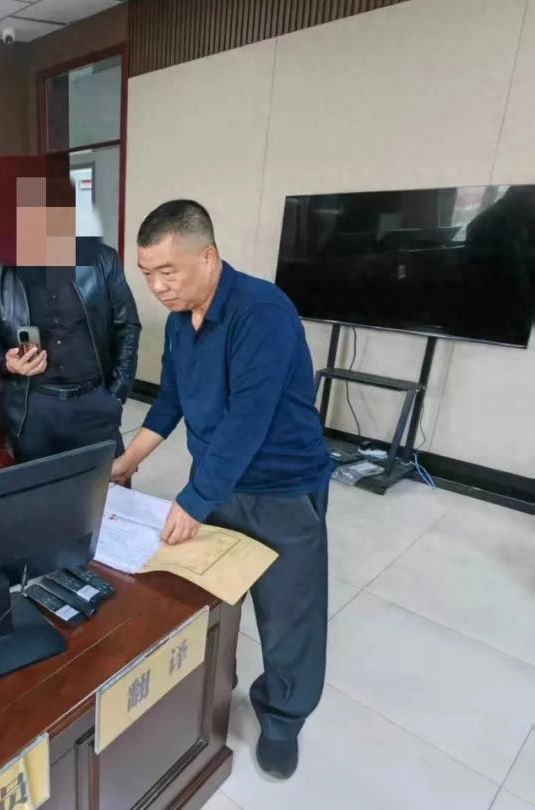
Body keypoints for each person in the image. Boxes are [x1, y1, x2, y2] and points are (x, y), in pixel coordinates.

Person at [113, 200, 332, 779]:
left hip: (282, 488)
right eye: (147, 274)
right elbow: (171, 399)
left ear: (208, 257)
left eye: (168, 271)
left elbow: (246, 421)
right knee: (211, 601)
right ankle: (212, 689)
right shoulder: (179, 321)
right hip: (218, 480)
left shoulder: (262, 312)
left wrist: (192, 501)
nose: (157, 287)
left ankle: (281, 719)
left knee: (289, 617)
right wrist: (128, 460)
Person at [0, 173, 141, 462]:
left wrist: (116, 394)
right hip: (34, 408)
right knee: (41, 489)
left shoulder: (103, 260)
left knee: (107, 485)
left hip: (94, 401)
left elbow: (127, 326)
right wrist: (6, 362)